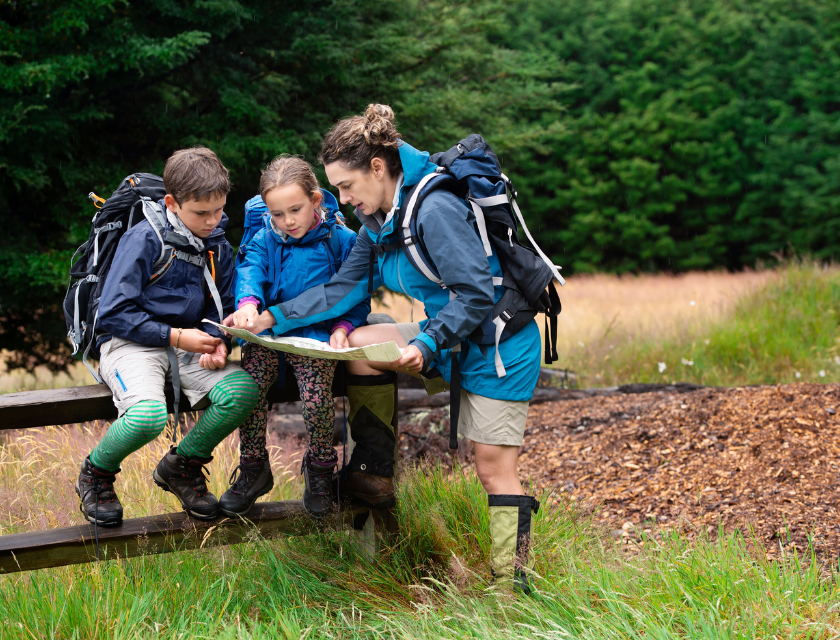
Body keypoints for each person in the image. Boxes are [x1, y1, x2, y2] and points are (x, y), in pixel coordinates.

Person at [226, 105, 542, 590]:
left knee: (492, 466)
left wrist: (431, 341)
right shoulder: (378, 220)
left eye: (347, 186)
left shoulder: (433, 210)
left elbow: (476, 292)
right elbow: (341, 290)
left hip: (497, 344)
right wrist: (270, 318)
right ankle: (372, 470)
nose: (342, 198)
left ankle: (511, 585)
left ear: (378, 167)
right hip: (450, 338)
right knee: (359, 339)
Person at [75, 147, 259, 526]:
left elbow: (220, 309)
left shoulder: (218, 246)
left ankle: (181, 465)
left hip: (188, 346)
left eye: (219, 210)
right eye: (201, 213)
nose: (212, 221)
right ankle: (97, 473)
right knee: (147, 416)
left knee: (243, 391)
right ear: (173, 203)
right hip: (131, 344)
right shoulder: (144, 239)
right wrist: (176, 336)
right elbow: (113, 313)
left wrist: (218, 341)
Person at [218, 156, 370, 519]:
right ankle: (254, 467)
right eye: (277, 213)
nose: (287, 221)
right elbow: (250, 273)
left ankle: (320, 469)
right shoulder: (263, 238)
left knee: (316, 399)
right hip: (268, 335)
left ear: (316, 200)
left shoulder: (343, 241)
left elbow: (355, 294)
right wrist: (248, 305)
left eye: (295, 210)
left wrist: (343, 327)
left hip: (314, 337)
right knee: (247, 390)